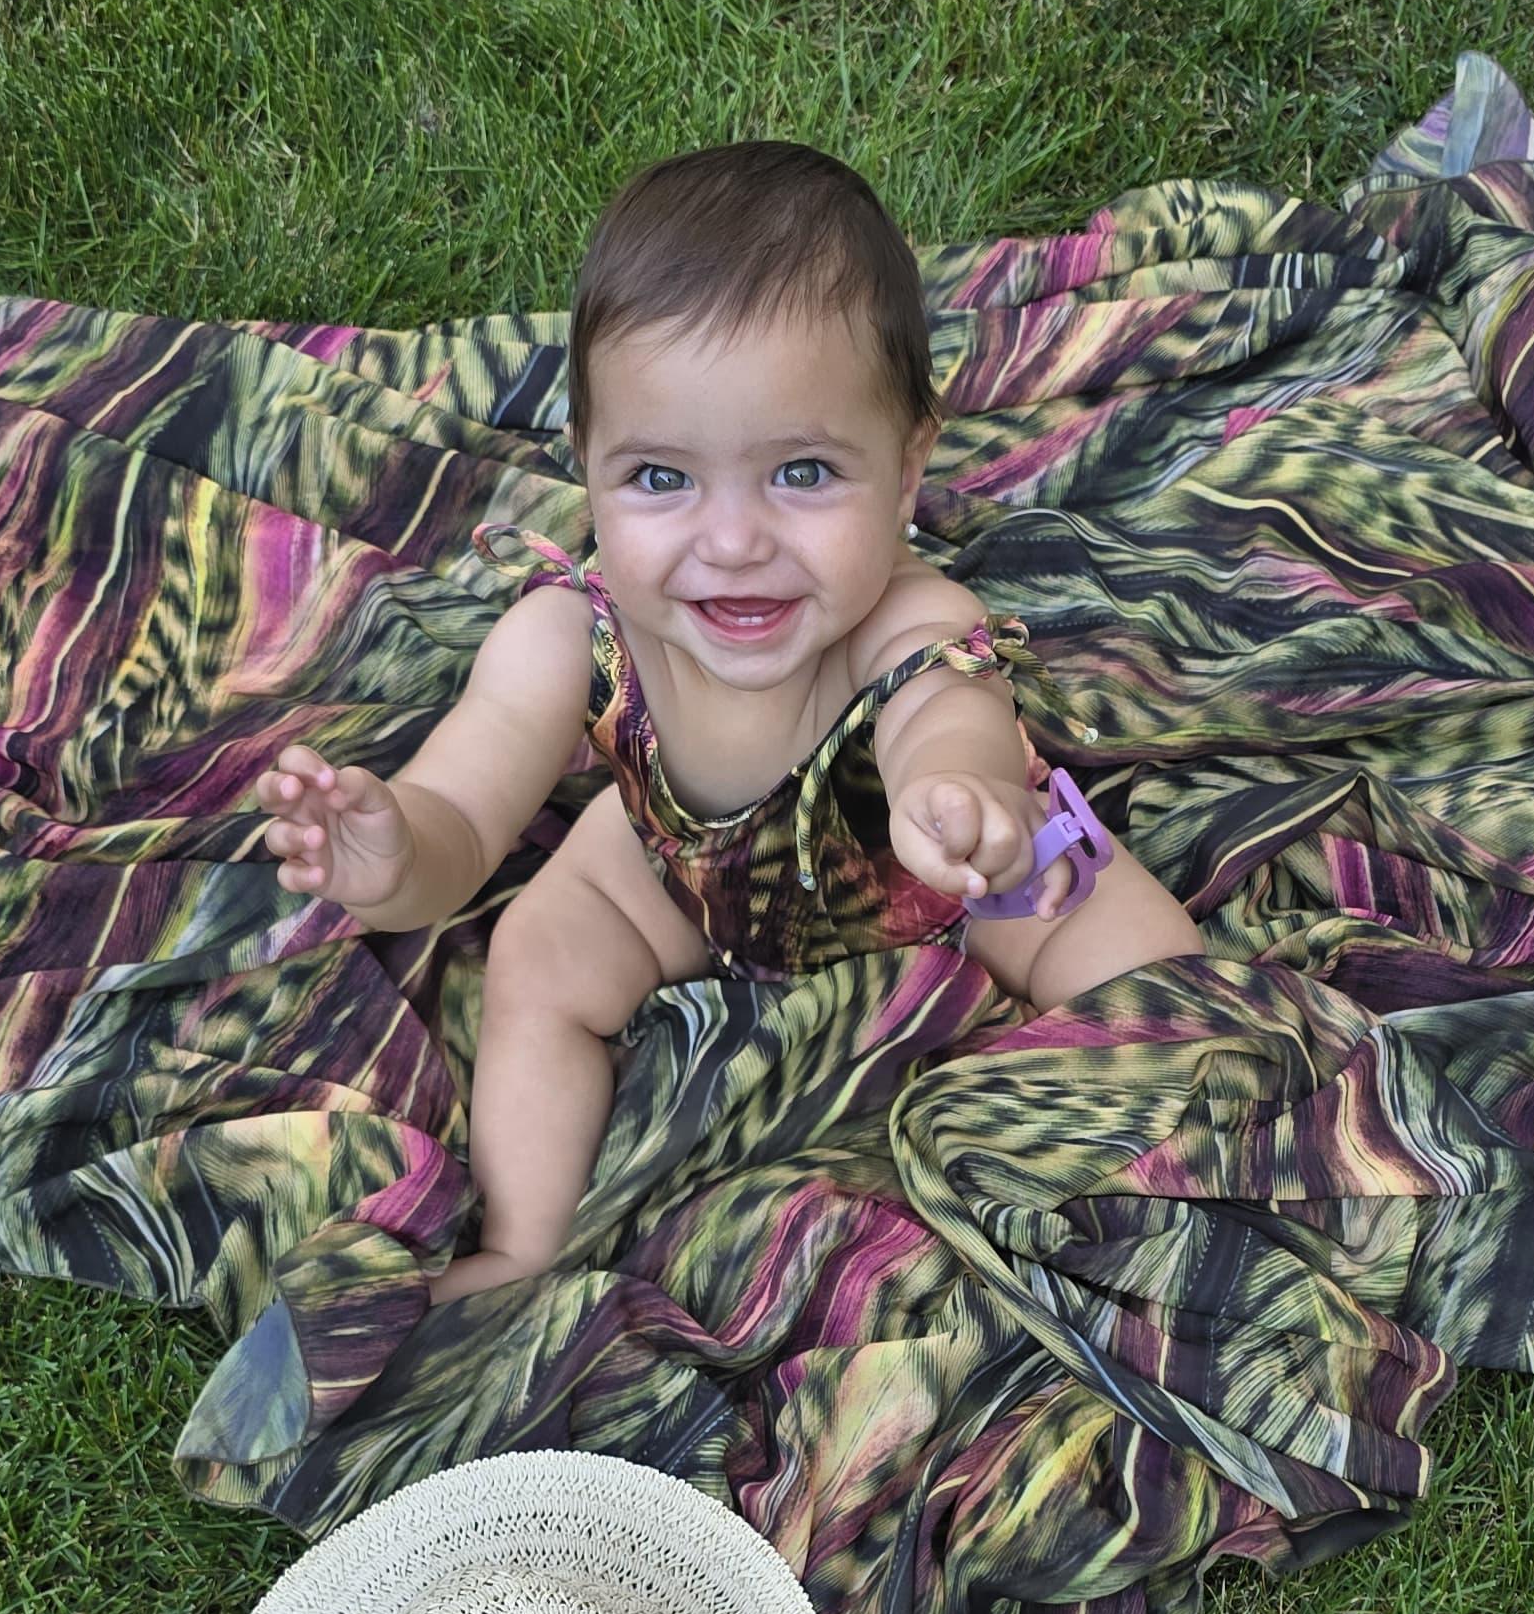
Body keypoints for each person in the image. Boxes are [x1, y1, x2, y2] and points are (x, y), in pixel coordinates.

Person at [256, 143, 1201, 1296]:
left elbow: (942, 718)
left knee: (1140, 962)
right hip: (688, 870)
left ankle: (1171, 1167)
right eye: (661, 479)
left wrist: (961, 800)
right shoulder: (568, 634)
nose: (734, 541)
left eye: (802, 472)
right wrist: (393, 851)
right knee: (535, 954)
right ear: (588, 467)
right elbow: (463, 816)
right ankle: (523, 1240)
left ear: (909, 470)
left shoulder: (905, 614)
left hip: (928, 879)